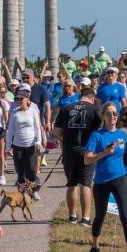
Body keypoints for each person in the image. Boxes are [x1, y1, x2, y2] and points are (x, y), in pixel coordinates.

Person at [84, 103, 127, 252]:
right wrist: (104, 153)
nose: (113, 117)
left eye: (115, 114)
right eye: (109, 114)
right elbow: (87, 158)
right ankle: (95, 247)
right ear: (103, 117)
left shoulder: (122, 134)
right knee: (100, 217)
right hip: (102, 182)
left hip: (120, 178)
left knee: (126, 215)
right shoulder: (97, 135)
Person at [53, 84, 101, 225]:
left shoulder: (66, 108)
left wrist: (65, 137)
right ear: (92, 98)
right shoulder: (95, 109)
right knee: (85, 184)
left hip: (69, 150)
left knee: (71, 183)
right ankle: (85, 218)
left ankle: (72, 216)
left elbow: (56, 132)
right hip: (88, 150)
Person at [8, 86, 43, 193]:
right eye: (17, 99)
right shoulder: (14, 112)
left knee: (30, 169)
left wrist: (39, 141)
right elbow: (10, 130)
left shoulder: (32, 111)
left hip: (30, 144)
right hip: (17, 144)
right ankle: (22, 192)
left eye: (21, 99)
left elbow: (37, 128)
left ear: (27, 99)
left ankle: (32, 191)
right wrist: (8, 146)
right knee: (19, 170)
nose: (19, 101)